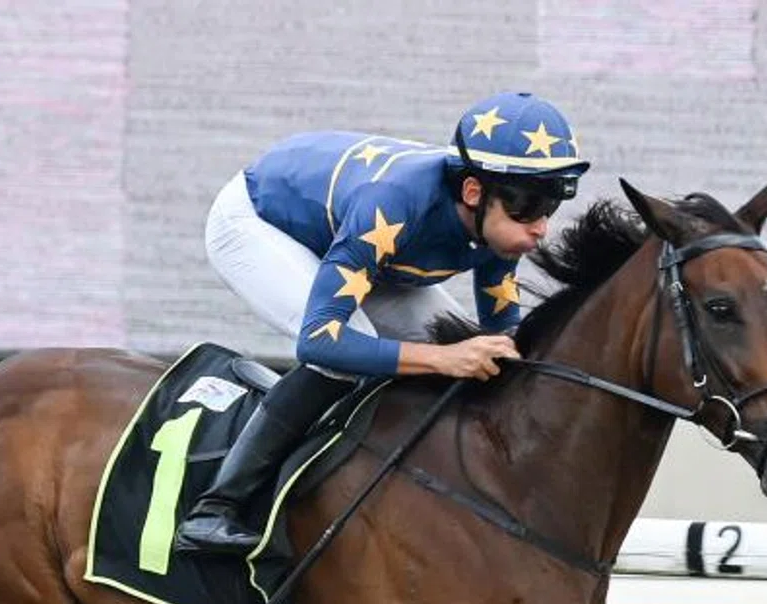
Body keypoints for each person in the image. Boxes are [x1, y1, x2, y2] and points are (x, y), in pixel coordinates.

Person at [173, 91, 590, 554]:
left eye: (548, 209)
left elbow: (501, 337)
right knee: (358, 352)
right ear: (473, 192)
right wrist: (443, 358)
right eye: (528, 208)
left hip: (368, 249)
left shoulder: (495, 226)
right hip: (261, 223)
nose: (540, 228)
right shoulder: (392, 204)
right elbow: (320, 342)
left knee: (465, 347)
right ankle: (214, 508)